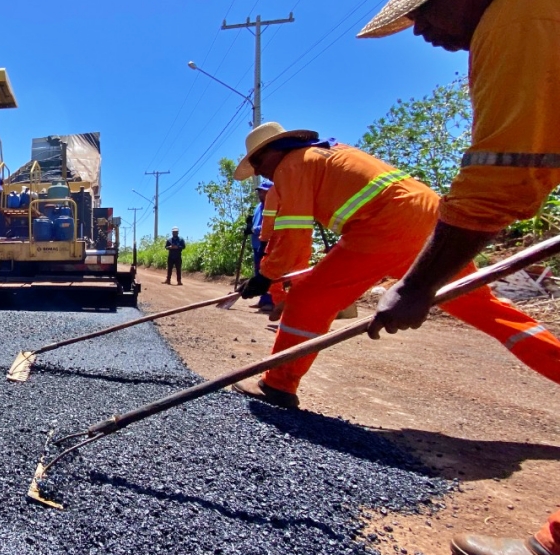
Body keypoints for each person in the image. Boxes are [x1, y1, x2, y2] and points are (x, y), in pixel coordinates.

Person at [358, 0, 560, 555]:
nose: (419, 29)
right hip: (418, 222)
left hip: (410, 230)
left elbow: (503, 178)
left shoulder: (519, 16)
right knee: (491, 309)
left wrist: (415, 288)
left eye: (423, 10)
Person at [229, 121, 560, 411]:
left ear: (272, 152)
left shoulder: (292, 165)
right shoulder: (327, 153)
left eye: (258, 164)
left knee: (309, 299)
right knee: (482, 305)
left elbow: (294, 236)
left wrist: (267, 277)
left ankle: (277, 385)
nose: (260, 173)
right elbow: (301, 248)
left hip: (384, 224)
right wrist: (278, 280)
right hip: (432, 218)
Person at [249, 181, 275, 311]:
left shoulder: (273, 206)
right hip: (257, 244)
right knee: (258, 272)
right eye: (259, 191)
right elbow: (256, 224)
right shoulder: (258, 207)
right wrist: (249, 225)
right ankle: (262, 299)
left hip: (268, 244)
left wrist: (254, 229)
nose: (260, 193)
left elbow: (270, 226)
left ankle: (270, 301)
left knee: (267, 273)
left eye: (263, 191)